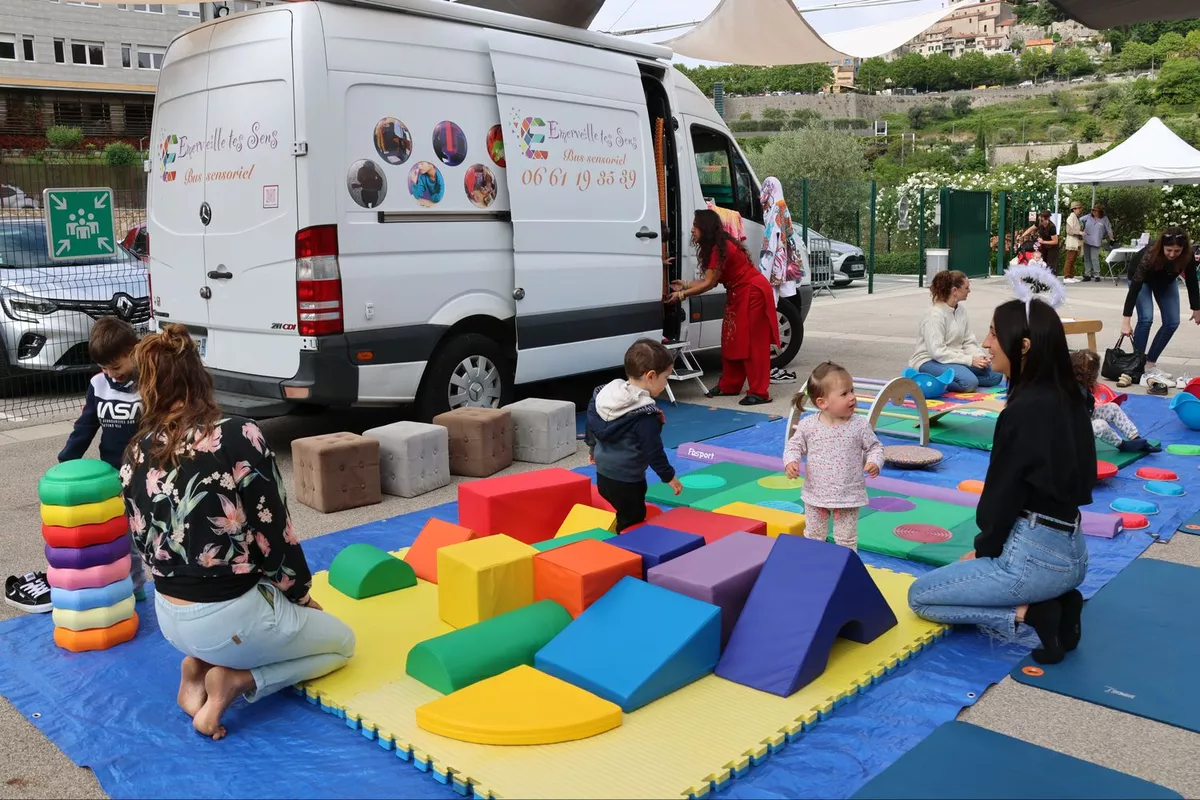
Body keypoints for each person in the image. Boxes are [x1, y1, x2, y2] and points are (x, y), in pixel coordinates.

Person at [121, 324, 354, 740]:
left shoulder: (136, 448)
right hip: (230, 618)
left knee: (247, 614)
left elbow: (141, 539)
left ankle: (197, 665)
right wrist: (301, 596)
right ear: (199, 375)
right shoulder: (236, 434)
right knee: (342, 643)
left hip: (170, 618)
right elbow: (274, 531)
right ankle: (239, 681)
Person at [908, 298, 1094, 665]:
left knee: (921, 596)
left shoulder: (1023, 411)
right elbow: (1081, 479)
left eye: (994, 333)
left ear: (1023, 346)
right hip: (1074, 555)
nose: (987, 344)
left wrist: (984, 550)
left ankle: (1032, 614)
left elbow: (1000, 497)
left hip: (1034, 562)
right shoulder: (1071, 395)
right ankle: (1058, 600)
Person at [5, 317, 147, 614]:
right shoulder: (98, 384)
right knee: (121, 535)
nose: (112, 374)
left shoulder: (149, 384)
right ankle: (134, 587)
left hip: (147, 472)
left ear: (133, 352)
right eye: (105, 368)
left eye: (117, 367)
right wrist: (65, 462)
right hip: (111, 475)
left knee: (149, 532)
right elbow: (85, 426)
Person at [669, 209, 780, 406]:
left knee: (753, 343)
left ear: (705, 228)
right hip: (739, 292)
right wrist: (685, 285)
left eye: (695, 226)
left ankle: (759, 392)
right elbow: (708, 280)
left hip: (752, 292)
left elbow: (709, 283)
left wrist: (681, 294)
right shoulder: (716, 247)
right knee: (731, 339)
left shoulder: (720, 248)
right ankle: (730, 385)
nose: (692, 230)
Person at [783, 362, 883, 552]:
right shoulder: (808, 426)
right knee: (813, 537)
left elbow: (875, 447)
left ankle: (845, 571)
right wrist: (791, 461)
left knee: (846, 541)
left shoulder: (859, 425)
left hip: (848, 496)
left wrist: (874, 462)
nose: (853, 397)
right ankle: (813, 569)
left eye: (852, 391)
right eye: (844, 394)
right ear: (822, 403)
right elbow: (794, 445)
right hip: (816, 495)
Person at [584, 339, 683, 532]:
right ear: (651, 376)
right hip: (628, 480)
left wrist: (592, 447)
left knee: (623, 510)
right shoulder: (645, 415)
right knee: (633, 519)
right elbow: (654, 451)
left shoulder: (606, 397)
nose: (666, 383)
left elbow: (592, 421)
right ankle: (627, 550)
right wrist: (669, 476)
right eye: (666, 377)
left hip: (603, 474)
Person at [1120, 227, 1200, 383]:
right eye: (1169, 250)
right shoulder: (1150, 254)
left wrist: (1197, 308)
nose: (1172, 254)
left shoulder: (1187, 255)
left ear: (1183, 249)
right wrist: (1126, 321)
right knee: (1146, 318)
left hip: (1165, 281)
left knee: (1172, 322)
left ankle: (1150, 364)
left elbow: (1191, 281)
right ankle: (1137, 366)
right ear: (1162, 246)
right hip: (1141, 281)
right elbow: (1135, 288)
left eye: (1176, 251)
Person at [909, 270, 1002, 394]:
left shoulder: (960, 311)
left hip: (955, 358)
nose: (969, 291)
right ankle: (925, 378)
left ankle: (956, 376)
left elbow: (968, 340)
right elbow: (937, 352)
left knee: (996, 374)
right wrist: (970, 360)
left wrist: (979, 356)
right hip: (929, 360)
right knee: (969, 383)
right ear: (954, 291)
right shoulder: (934, 315)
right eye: (967, 288)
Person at [759, 177, 805, 386]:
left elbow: (774, 242)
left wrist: (764, 273)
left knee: (768, 315)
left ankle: (766, 368)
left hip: (773, 273)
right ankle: (768, 366)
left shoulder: (775, 210)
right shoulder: (780, 206)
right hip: (781, 270)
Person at [1070, 350, 1158, 453]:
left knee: (1112, 407)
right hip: (1071, 437)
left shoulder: (1082, 385)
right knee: (1100, 424)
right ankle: (1122, 445)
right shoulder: (1070, 390)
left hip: (1081, 421)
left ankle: (1135, 437)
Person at [1080, 204, 1114, 282]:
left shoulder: (1104, 219)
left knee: (1094, 258)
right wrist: (1080, 229)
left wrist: (1112, 239)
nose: (1094, 212)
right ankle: (1087, 275)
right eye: (1093, 210)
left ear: (1100, 212)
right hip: (1086, 240)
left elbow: (1109, 229)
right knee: (1086, 258)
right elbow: (1079, 220)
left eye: (1096, 211)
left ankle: (1097, 275)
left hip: (1096, 241)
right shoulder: (1088, 216)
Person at [1062, 200, 1085, 283]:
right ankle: (1067, 276)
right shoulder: (1071, 218)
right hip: (1071, 241)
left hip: (1075, 241)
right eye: (1078, 208)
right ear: (1074, 209)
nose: (1080, 210)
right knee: (1070, 259)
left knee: (1073, 259)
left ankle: (1071, 276)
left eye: (1080, 208)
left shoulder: (1075, 218)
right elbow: (1069, 230)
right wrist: (1079, 232)